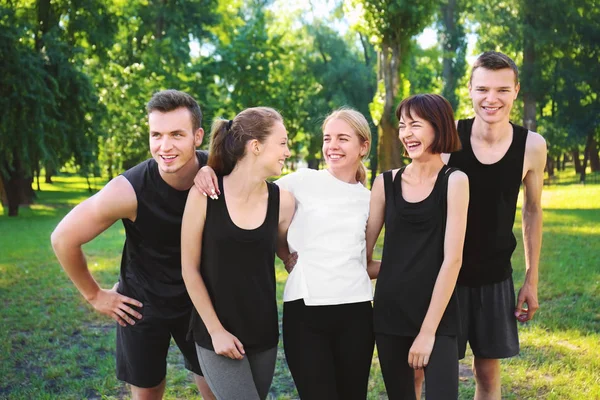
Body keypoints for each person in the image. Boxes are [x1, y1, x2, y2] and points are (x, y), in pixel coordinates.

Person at [194, 107, 378, 399]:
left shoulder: (372, 199)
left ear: (363, 146)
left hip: (356, 310)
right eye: (327, 138)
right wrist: (207, 169)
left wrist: (409, 267)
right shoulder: (300, 182)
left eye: (343, 138)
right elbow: (246, 184)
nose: (332, 145)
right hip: (305, 310)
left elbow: (364, 260)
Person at [51, 90, 215, 399]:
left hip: (200, 301)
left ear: (198, 136)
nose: (164, 146)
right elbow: (63, 238)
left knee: (217, 390)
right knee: (146, 393)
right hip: (141, 304)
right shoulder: (127, 190)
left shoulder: (219, 172)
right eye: (156, 134)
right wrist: (95, 296)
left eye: (177, 134)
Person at [443, 51, 546, 399]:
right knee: (434, 370)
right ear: (470, 90)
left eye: (502, 90)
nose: (492, 99)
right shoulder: (447, 139)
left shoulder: (532, 146)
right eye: (483, 89)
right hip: (445, 276)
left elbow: (532, 211)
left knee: (487, 374)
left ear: (516, 90)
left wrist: (531, 280)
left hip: (495, 278)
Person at [181, 107, 296, 400]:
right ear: (255, 146)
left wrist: (291, 258)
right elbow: (189, 269)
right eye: (282, 142)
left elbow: (282, 247)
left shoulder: (283, 201)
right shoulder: (205, 194)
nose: (287, 150)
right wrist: (216, 331)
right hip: (215, 334)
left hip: (264, 333)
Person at [366, 94, 469, 399]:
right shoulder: (385, 183)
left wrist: (427, 333)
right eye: (402, 126)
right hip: (389, 314)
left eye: (415, 125)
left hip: (438, 316)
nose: (406, 134)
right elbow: (363, 255)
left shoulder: (455, 180)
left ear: (438, 127)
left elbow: (453, 260)